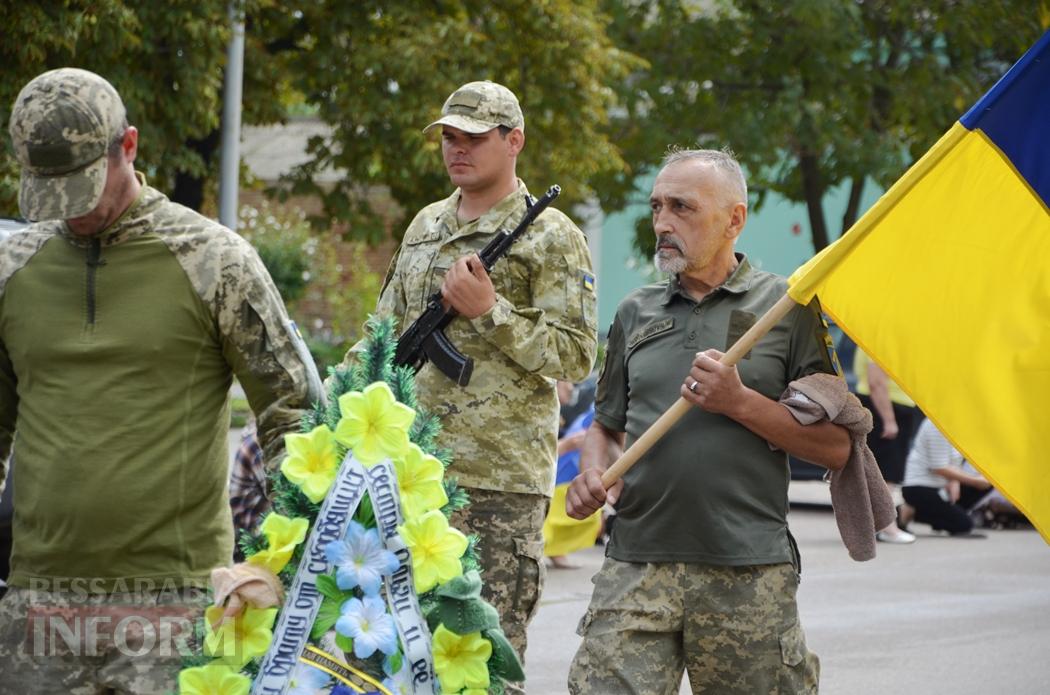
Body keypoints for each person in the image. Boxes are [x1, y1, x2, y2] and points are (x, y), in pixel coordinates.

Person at [0, 68, 321, 693]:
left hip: (173, 605)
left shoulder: (215, 261)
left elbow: (294, 413)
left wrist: (283, 565)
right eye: (51, 189)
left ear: (129, 146)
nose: (72, 209)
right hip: (35, 605)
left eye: (84, 185)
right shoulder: (12, 267)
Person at [565, 148, 850, 694]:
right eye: (656, 208)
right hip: (636, 564)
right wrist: (593, 473)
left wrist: (739, 401)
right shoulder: (634, 312)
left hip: (747, 571)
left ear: (734, 219)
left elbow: (836, 448)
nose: (663, 223)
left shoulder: (787, 310)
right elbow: (606, 423)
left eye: (682, 207)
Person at [338, 81, 598, 673]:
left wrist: (491, 312)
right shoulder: (426, 225)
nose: (457, 148)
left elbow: (577, 356)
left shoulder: (552, 235)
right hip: (405, 475)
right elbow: (384, 335)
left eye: (473, 138)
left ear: (514, 142)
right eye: (449, 137)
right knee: (392, 658)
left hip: (496, 483)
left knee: (480, 664)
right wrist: (329, 402)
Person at [853, 349, 919, 543]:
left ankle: (874, 527)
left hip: (889, 407)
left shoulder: (878, 337)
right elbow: (876, 382)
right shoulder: (879, 340)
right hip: (886, 408)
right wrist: (889, 420)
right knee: (887, 472)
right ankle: (887, 528)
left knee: (881, 471)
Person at [901, 419, 992, 537]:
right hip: (919, 487)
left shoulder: (957, 425)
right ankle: (907, 511)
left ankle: (945, 516)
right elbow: (939, 467)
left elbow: (952, 461)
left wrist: (955, 481)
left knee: (989, 482)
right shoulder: (937, 425)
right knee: (964, 525)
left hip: (941, 484)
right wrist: (975, 481)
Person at [543, 381, 600, 569]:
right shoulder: (542, 410)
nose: (570, 388)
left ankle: (556, 551)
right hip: (553, 478)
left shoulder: (562, 413)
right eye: (565, 382)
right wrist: (566, 445)